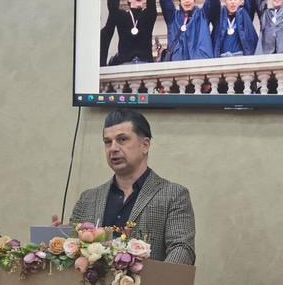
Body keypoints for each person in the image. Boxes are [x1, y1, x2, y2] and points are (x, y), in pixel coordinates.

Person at [67, 110, 195, 265]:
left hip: (150, 281)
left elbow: (182, 249)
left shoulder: (173, 195)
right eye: (108, 142)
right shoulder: (87, 199)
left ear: (145, 145)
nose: (113, 148)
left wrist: (158, 279)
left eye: (122, 139)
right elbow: (71, 252)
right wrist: (59, 240)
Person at [106, 0, 157, 64]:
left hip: (145, 62)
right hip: (125, 63)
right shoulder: (122, 15)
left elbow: (152, 0)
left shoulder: (148, 15)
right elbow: (112, 7)